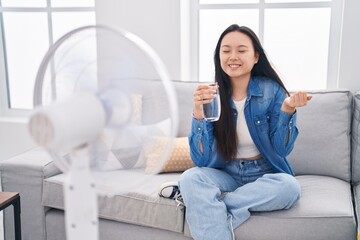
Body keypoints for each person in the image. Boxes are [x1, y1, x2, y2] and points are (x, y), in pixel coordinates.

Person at [178, 24, 312, 240]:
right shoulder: (211, 94)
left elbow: (282, 149)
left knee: (289, 188)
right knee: (190, 178)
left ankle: (212, 206)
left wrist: (288, 109)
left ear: (256, 56)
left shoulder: (272, 90)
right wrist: (198, 113)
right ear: (218, 56)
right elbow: (200, 159)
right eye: (226, 50)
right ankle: (209, 204)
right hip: (226, 173)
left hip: (265, 173)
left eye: (241, 50)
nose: (233, 56)